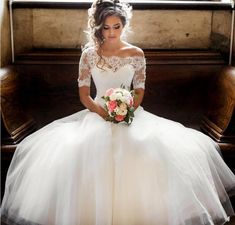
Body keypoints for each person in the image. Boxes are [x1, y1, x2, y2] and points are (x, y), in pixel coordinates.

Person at [1, 0, 235, 224]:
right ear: (98, 27)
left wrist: (126, 111)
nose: (111, 32)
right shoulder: (89, 55)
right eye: (106, 27)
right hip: (96, 113)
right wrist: (104, 113)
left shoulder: (136, 54)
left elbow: (140, 91)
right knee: (79, 149)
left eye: (117, 27)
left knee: (146, 146)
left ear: (124, 26)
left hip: (130, 113)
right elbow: (84, 95)